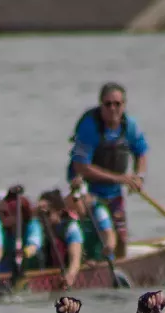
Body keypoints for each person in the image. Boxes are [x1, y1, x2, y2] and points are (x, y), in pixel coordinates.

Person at [68, 82, 149, 257]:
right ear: (101, 105)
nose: (113, 109)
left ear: (124, 106)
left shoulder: (130, 126)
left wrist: (139, 177)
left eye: (117, 104)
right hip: (86, 191)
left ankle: (120, 265)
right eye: (108, 104)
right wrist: (120, 179)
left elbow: (141, 153)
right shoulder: (89, 127)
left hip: (113, 192)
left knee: (121, 236)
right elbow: (81, 167)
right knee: (96, 233)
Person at [37, 188, 86, 287]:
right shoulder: (39, 228)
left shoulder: (71, 228)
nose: (43, 218)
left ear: (59, 211)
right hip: (48, 269)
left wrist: (70, 275)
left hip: (67, 270)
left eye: (47, 214)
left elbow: (75, 260)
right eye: (40, 215)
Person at [66, 185, 116, 265]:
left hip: (100, 259)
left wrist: (107, 249)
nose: (77, 204)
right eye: (74, 200)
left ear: (87, 197)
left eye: (78, 200)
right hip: (84, 259)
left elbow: (109, 236)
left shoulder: (99, 211)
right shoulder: (70, 215)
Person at [0, 190, 43, 275]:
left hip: (32, 268)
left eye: (5, 214)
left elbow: (33, 247)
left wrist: (23, 253)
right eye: (0, 213)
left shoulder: (32, 225)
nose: (1, 217)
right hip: (10, 268)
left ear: (19, 215)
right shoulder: (4, 229)